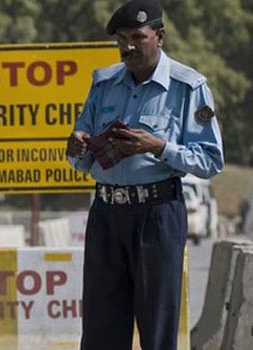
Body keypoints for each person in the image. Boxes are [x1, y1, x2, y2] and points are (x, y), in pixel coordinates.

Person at [66, 0, 223, 349]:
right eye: (121, 39)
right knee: (100, 331)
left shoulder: (188, 87)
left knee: (157, 328)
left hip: (158, 215)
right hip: (106, 215)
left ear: (160, 36)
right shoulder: (103, 83)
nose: (128, 46)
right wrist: (77, 147)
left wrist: (158, 146)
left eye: (138, 36)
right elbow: (81, 150)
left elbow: (211, 160)